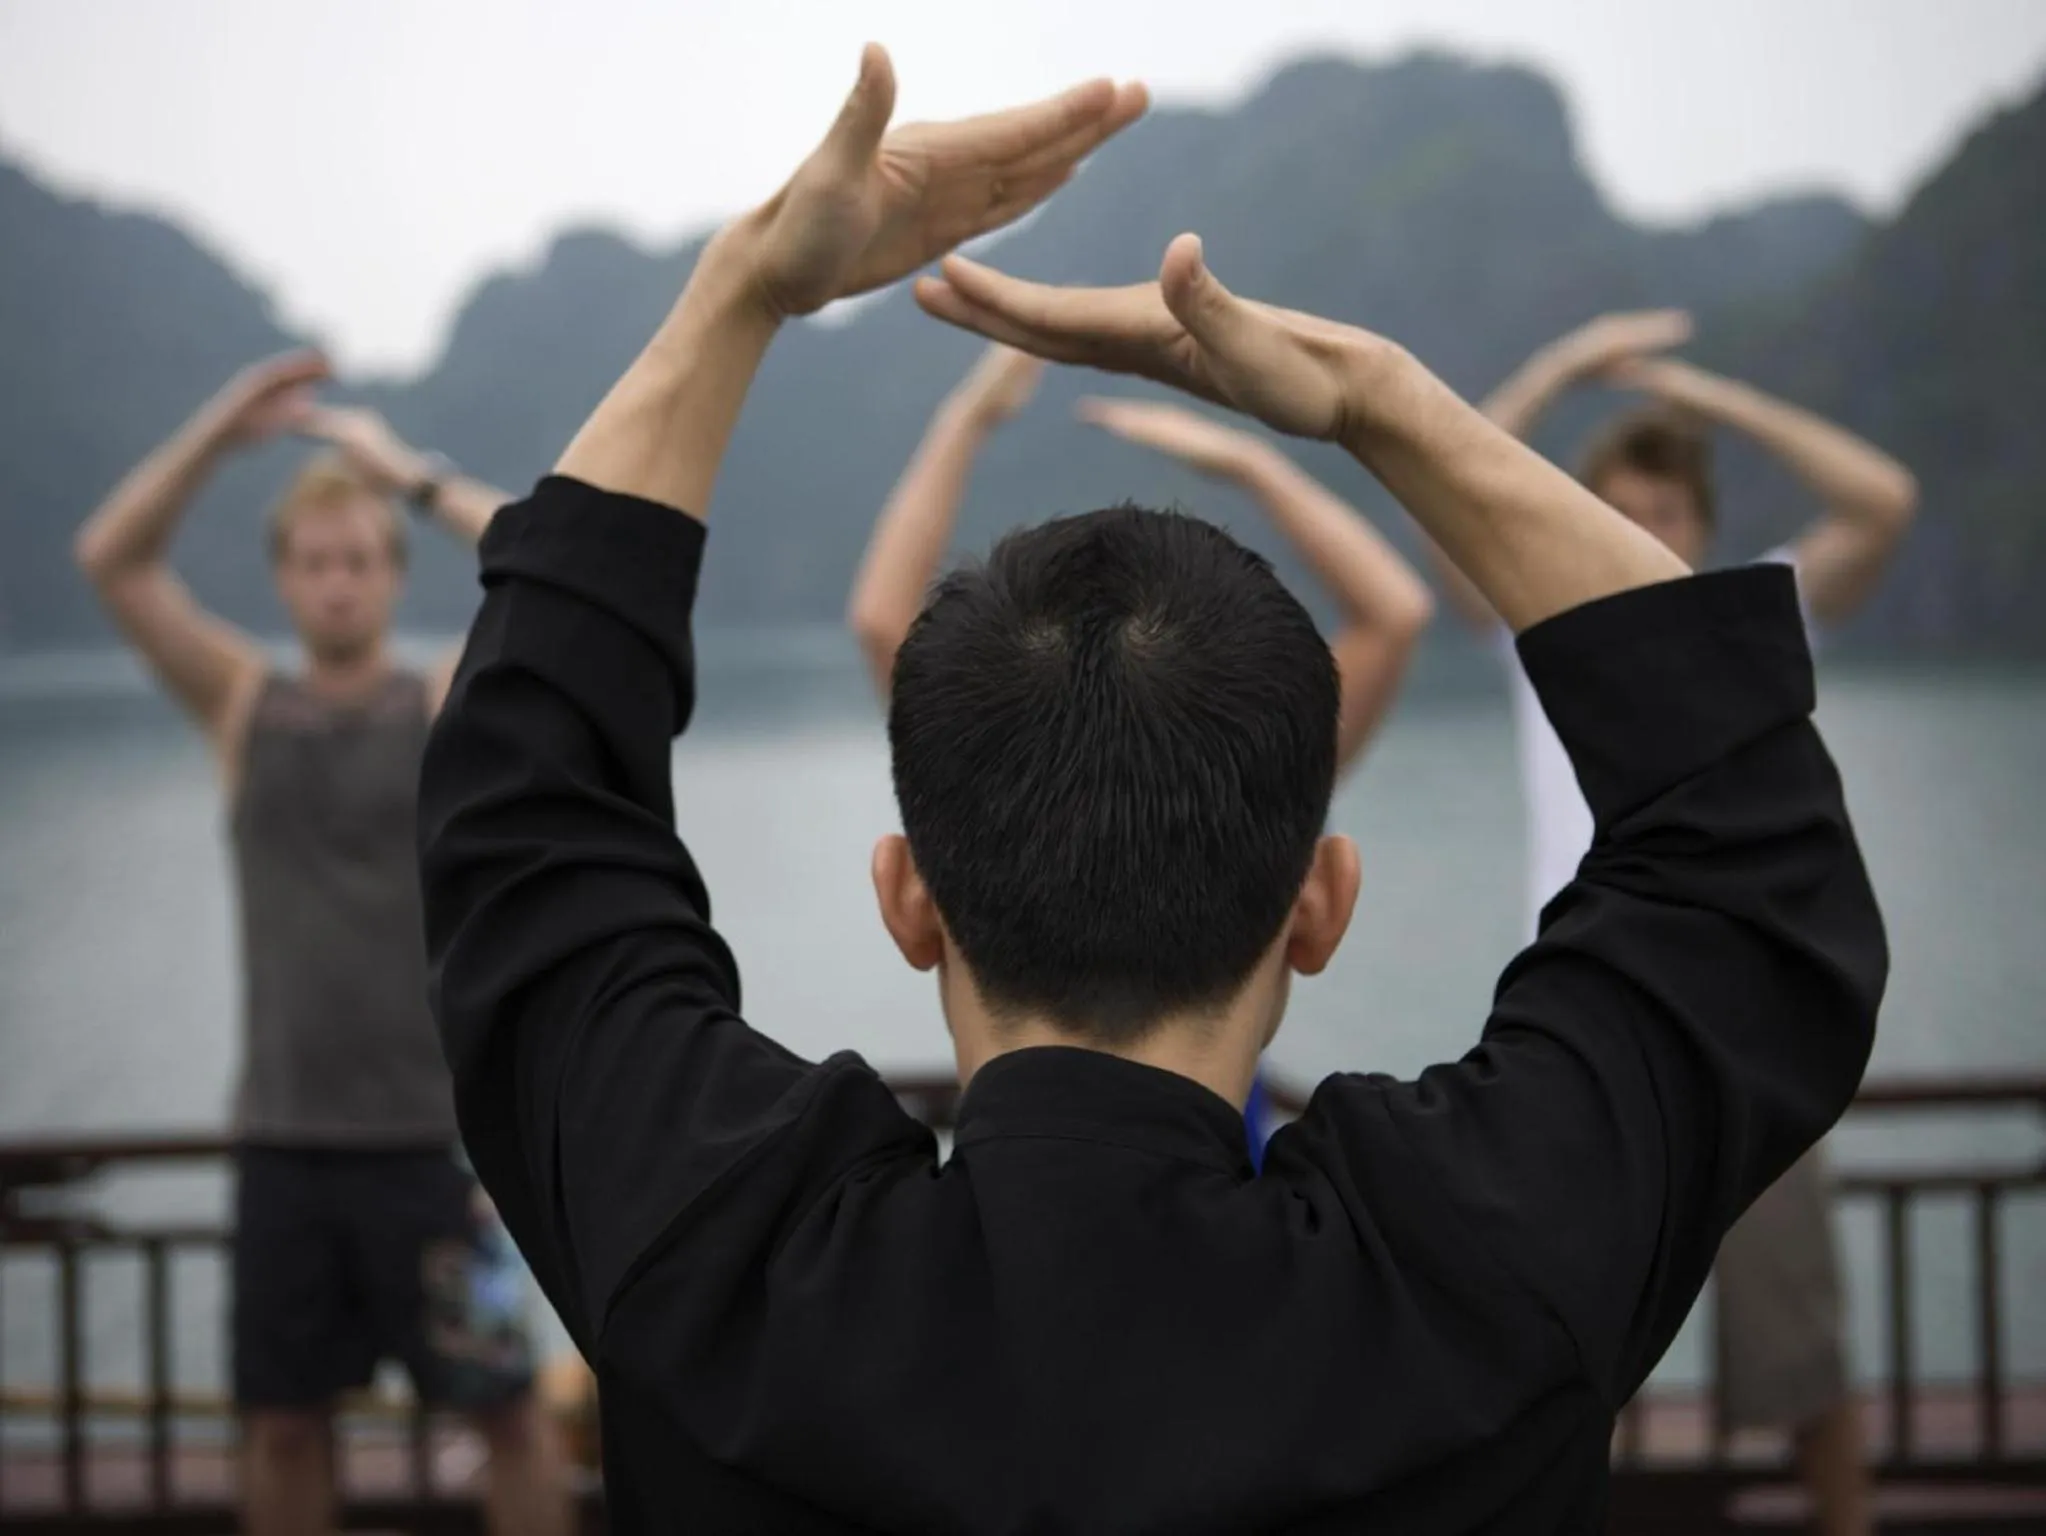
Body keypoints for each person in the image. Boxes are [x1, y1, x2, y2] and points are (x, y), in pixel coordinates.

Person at [418, 46, 1885, 1534]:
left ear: (907, 899)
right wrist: (1378, 403)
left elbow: (524, 815)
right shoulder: (1469, 1284)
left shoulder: (725, 1272)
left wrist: (739, 292)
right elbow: (1743, 856)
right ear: (1319, 904)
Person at [1425, 311, 1918, 1536]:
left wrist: (1711, 396)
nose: (1644, 536)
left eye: (1668, 514)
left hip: (1745, 1023)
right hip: (1579, 1016)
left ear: (1702, 528)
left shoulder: (1757, 629)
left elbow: (1883, 502)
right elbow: (1449, 480)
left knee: (1799, 1340)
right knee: (1552, 1341)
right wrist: (1554, 367)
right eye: (1618, 512)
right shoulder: (1548, 642)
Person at [73, 360, 572, 1536]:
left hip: (435, 1155)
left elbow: (548, 579)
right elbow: (113, 562)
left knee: (509, 1417)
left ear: (391, 576)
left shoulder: (441, 702)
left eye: (358, 560)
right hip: (286, 1150)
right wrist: (214, 435)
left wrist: (404, 473)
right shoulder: (244, 704)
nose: (337, 584)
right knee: (284, 1425)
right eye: (315, 564)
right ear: (285, 583)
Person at [846, 357, 1434, 1164]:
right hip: (1225, 1187)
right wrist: (1253, 463)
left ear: (906, 895)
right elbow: (1394, 612)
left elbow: (883, 624)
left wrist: (965, 420)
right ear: (1322, 900)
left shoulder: (984, 768)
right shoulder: (1243, 771)